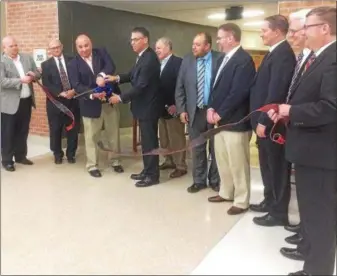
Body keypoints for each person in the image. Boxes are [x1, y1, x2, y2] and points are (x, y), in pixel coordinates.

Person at [268, 6, 336, 276]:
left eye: (307, 27)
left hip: (322, 155)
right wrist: (286, 112)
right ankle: (311, 261)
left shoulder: (332, 60)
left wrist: (292, 111)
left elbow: (331, 107)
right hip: (311, 151)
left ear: (325, 29)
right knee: (312, 214)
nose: (302, 33)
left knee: (321, 218)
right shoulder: (320, 57)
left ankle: (316, 271)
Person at [249, 15, 296, 226]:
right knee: (266, 166)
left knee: (277, 169)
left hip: (272, 124)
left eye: (264, 30)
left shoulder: (283, 55)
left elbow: (275, 92)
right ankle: (269, 202)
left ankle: (278, 213)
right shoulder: (273, 53)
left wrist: (263, 121)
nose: (261, 34)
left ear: (277, 31)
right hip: (264, 121)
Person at [207, 23, 255, 215]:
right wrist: (211, 107)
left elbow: (239, 92)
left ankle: (242, 200)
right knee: (222, 159)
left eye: (220, 38)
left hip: (235, 121)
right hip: (219, 121)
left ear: (230, 38)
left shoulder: (244, 60)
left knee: (238, 162)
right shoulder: (221, 59)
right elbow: (215, 87)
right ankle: (226, 192)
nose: (217, 41)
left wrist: (221, 112)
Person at [277, 8, 314, 262]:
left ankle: (309, 242)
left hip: (315, 140)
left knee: (315, 199)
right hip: (301, 134)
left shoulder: (324, 60)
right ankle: (304, 233)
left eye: (294, 30)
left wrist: (292, 110)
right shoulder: (304, 58)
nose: (290, 35)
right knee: (306, 195)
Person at [107, 27, 161, 187]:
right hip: (142, 107)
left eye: (135, 39)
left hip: (148, 108)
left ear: (145, 40)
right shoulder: (142, 57)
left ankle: (153, 176)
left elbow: (141, 86)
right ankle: (147, 170)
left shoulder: (150, 59)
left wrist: (121, 97)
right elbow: (131, 75)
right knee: (146, 142)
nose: (132, 43)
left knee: (150, 142)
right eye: (131, 40)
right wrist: (115, 78)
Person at [68, 34, 123, 177]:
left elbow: (111, 66)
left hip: (109, 101)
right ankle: (92, 165)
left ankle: (115, 161)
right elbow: (77, 85)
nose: (84, 49)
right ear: (76, 48)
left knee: (113, 133)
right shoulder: (73, 64)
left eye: (86, 45)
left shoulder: (101, 52)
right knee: (91, 136)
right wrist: (92, 95)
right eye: (80, 47)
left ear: (91, 44)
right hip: (90, 104)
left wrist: (101, 75)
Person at [175, 32, 221, 193]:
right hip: (195, 112)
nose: (193, 47)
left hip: (214, 112)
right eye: (193, 44)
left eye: (198, 44)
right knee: (197, 148)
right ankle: (199, 181)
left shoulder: (220, 59)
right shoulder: (187, 61)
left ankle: (215, 180)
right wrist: (181, 110)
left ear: (207, 46)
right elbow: (180, 87)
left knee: (216, 149)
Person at [1, 36, 41, 171]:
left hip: (26, 101)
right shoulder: (1, 61)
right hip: (9, 105)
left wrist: (33, 75)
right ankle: (7, 160)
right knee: (8, 133)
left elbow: (37, 74)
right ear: (4, 48)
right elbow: (2, 81)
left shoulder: (27, 58)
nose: (14, 48)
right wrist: (21, 80)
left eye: (15, 45)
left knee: (23, 131)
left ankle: (20, 156)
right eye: (11, 46)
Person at [41, 39, 80, 164]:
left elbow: (78, 77)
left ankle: (71, 154)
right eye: (53, 48)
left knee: (73, 128)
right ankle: (57, 154)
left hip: (73, 100)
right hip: (55, 102)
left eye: (57, 47)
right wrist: (60, 92)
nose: (56, 50)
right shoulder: (45, 65)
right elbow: (47, 84)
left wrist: (73, 90)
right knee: (56, 129)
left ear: (62, 46)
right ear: (50, 50)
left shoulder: (73, 60)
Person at [155, 37, 187, 178]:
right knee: (164, 137)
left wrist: (177, 105)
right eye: (156, 48)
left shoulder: (178, 63)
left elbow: (182, 86)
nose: (157, 50)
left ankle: (180, 165)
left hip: (174, 107)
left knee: (176, 137)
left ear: (168, 47)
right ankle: (169, 160)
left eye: (159, 48)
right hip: (160, 107)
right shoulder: (158, 64)